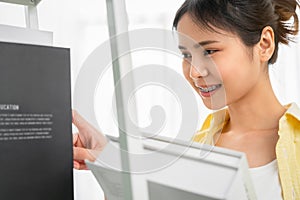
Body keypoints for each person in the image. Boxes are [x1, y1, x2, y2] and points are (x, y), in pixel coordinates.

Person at [73, 0, 300, 199]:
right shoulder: (193, 151)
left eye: (210, 51)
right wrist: (112, 163)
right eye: (186, 55)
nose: (195, 72)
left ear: (265, 44)